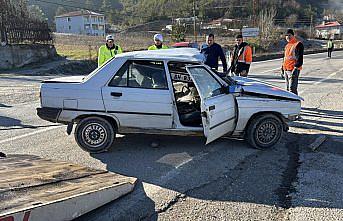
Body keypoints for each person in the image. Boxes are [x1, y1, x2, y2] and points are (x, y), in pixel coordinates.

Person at [282, 29, 304, 95]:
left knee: (292, 89)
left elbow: (300, 59)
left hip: (293, 70)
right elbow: (285, 58)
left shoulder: (298, 44)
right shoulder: (287, 46)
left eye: (289, 35)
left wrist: (295, 68)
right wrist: (282, 68)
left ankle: (295, 104)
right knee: (287, 89)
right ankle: (289, 104)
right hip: (286, 69)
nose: (288, 37)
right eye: (286, 35)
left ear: (293, 35)